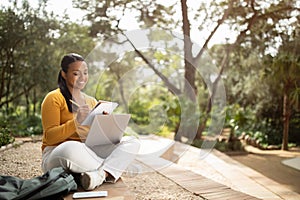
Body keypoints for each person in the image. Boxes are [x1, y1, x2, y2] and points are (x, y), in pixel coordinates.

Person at [41, 53, 140, 190]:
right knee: (70, 148)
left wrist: (105, 124)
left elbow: (94, 139)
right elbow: (50, 137)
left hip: (88, 151)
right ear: (64, 74)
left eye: (85, 73)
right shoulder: (53, 98)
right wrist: (76, 122)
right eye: (76, 73)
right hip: (59, 152)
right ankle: (116, 166)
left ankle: (99, 175)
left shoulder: (91, 101)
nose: (83, 78)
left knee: (132, 142)